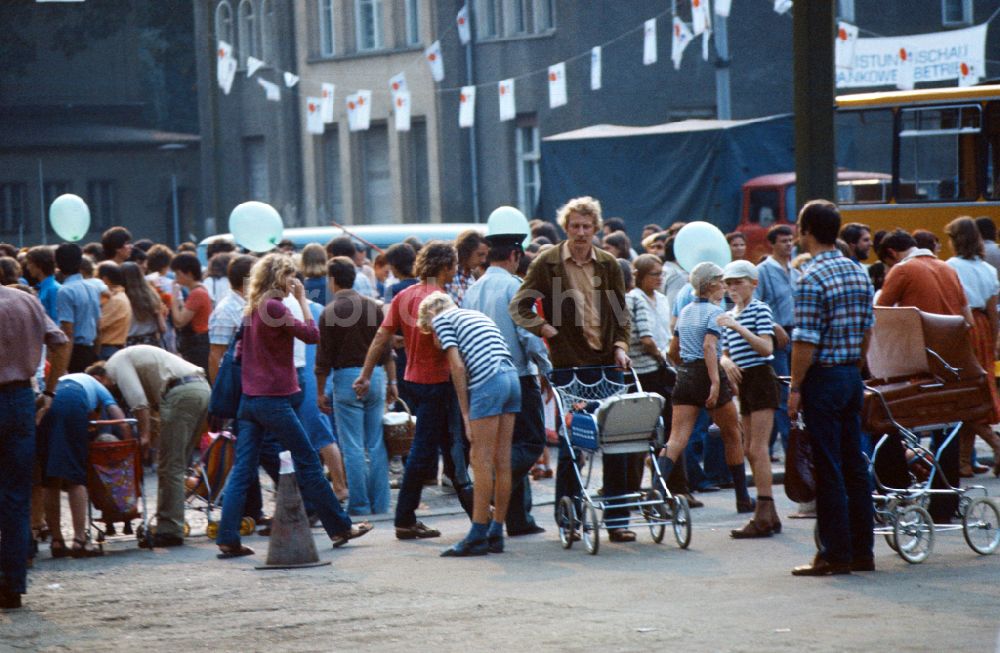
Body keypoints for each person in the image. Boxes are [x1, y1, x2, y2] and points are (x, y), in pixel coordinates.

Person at [214, 254, 371, 558]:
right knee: (309, 462)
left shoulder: (253, 308)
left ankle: (227, 535)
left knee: (243, 469)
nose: (295, 282)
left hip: (250, 399)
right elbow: (312, 335)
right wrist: (301, 300)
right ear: (278, 277)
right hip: (273, 399)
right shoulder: (274, 306)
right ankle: (340, 527)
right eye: (290, 276)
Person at [510, 196, 636, 541]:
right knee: (571, 445)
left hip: (607, 364)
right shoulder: (548, 262)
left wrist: (622, 347)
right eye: (575, 227)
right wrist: (544, 328)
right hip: (568, 365)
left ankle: (618, 521)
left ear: (596, 229)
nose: (581, 233)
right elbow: (518, 306)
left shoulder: (609, 264)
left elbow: (622, 318)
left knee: (615, 442)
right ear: (566, 228)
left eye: (587, 227)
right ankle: (569, 518)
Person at [356, 241, 474, 540]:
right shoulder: (440, 299)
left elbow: (381, 338)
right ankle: (469, 516)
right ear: (446, 267)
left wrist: (366, 373)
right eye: (454, 265)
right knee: (443, 448)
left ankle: (474, 514)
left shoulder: (404, 295)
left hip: (414, 380)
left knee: (439, 447)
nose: (456, 270)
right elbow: (448, 347)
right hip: (440, 381)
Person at [789, 200, 875, 576]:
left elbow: (804, 342)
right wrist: (854, 366)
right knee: (855, 463)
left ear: (805, 230)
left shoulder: (810, 277)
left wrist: (795, 388)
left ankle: (833, 553)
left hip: (822, 377)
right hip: (850, 375)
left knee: (827, 467)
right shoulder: (858, 271)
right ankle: (862, 550)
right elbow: (868, 329)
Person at [463, 231, 552, 537]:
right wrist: (547, 370)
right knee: (529, 443)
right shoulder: (516, 286)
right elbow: (530, 335)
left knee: (507, 444)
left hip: (481, 376)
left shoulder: (472, 291)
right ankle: (487, 485)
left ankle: (518, 518)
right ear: (515, 255)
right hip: (517, 374)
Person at [419, 292, 521, 556]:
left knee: (480, 459)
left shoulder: (442, 319)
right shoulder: (475, 315)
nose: (435, 338)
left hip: (488, 381)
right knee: (502, 460)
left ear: (431, 316)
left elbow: (457, 367)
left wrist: (465, 414)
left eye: (430, 332)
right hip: (511, 377)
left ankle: (477, 532)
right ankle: (496, 530)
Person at [655, 262, 754, 515]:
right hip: (708, 374)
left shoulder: (686, 311)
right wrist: (716, 382)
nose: (724, 287)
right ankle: (743, 497)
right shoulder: (715, 312)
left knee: (676, 438)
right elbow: (710, 348)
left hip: (686, 375)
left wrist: (683, 366)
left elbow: (673, 351)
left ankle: (656, 489)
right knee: (732, 433)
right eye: (721, 282)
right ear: (711, 285)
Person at [95, 346, 210, 547]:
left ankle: (170, 530)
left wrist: (145, 438)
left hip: (182, 393)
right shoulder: (132, 358)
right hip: (200, 388)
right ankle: (172, 523)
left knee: (169, 467)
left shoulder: (115, 364)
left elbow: (139, 402)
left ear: (100, 377)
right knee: (176, 465)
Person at [0, 284, 69, 609]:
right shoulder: (25, 300)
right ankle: (13, 582)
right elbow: (60, 342)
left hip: (16, 399)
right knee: (16, 495)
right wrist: (51, 391)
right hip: (19, 400)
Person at [315, 257, 393, 516]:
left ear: (333, 281)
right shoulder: (373, 307)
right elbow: (386, 347)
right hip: (376, 376)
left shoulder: (329, 312)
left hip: (345, 379)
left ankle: (359, 504)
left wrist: (319, 391)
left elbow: (323, 358)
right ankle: (381, 503)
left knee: (352, 446)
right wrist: (393, 382)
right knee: (377, 443)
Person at [718, 260, 782, 537]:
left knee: (758, 448)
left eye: (738, 282)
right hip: (745, 382)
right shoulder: (730, 313)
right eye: (729, 283)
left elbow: (767, 346)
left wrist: (737, 328)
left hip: (761, 378)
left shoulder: (759, 309)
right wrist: (725, 362)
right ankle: (769, 513)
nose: (732, 288)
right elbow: (724, 351)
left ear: (753, 284)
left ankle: (764, 512)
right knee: (748, 450)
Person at [38, 370, 130, 558]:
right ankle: (80, 540)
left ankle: (57, 541)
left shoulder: (63, 378)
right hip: (73, 401)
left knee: (50, 477)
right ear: (100, 378)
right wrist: (128, 441)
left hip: (46, 403)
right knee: (76, 477)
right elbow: (117, 415)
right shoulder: (98, 386)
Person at [943, 217, 1000, 477]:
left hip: (962, 328)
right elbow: (993, 310)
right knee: (977, 391)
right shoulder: (987, 269)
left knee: (963, 395)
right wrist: (996, 339)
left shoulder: (950, 267)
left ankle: (996, 444)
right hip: (984, 328)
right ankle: (963, 461)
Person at [754, 225, 797, 459]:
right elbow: (754, 304)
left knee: (795, 390)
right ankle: (790, 448)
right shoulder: (762, 271)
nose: (788, 245)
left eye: (790, 240)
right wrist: (772, 325)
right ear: (773, 244)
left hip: (796, 334)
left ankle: (772, 447)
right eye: (783, 241)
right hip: (775, 337)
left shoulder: (796, 270)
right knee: (782, 394)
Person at [206, 254, 256, 382]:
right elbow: (215, 356)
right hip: (236, 382)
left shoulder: (249, 304)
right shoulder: (225, 311)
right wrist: (220, 393)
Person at [56, 243, 103, 373]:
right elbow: (99, 326)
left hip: (74, 353)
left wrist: (62, 366)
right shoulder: (92, 287)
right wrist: (97, 355)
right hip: (91, 349)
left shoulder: (65, 291)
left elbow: (68, 332)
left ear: (58, 264)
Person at [169, 252, 212, 369]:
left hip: (197, 344)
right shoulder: (199, 290)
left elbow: (179, 321)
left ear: (189, 273)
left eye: (178, 274)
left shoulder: (197, 293)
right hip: (200, 342)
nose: (176, 278)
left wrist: (173, 295)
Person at [121, 261, 166, 348]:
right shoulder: (151, 295)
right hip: (151, 343)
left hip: (129, 344)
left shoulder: (121, 298)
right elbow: (162, 327)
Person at [95, 262, 132, 360]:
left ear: (105, 280)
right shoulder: (115, 296)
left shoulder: (116, 300)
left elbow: (98, 324)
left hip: (108, 349)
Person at [446, 229, 488, 304]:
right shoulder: (448, 275)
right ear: (466, 252)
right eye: (480, 255)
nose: (483, 260)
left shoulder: (471, 278)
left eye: (485, 256)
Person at [25, 246, 60, 321]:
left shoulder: (53, 289)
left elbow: (55, 320)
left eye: (29, 263)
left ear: (39, 265)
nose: (27, 267)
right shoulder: (42, 287)